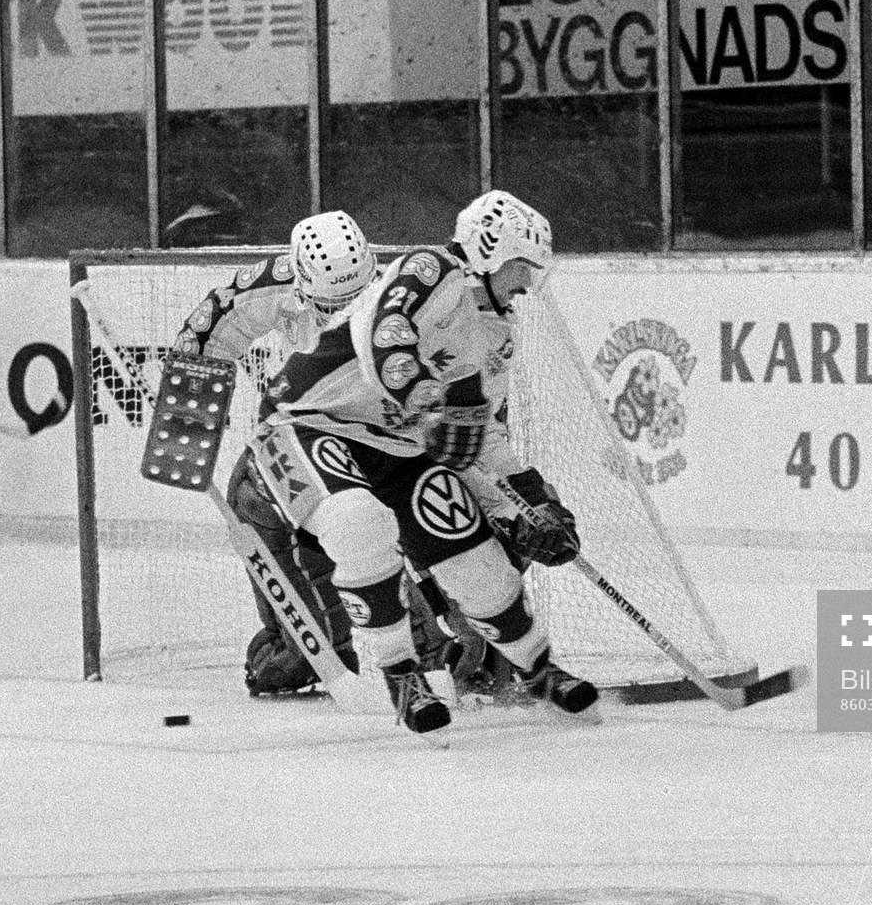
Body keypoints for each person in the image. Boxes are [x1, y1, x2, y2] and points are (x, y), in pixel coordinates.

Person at [240, 190, 596, 736]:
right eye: (523, 268)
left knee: (472, 555)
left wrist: (533, 505)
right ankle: (401, 675)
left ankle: (536, 667)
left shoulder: (496, 333)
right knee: (359, 523)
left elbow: (485, 434)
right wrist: (428, 402)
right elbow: (385, 333)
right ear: (491, 253)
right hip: (305, 425)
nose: (528, 284)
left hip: (401, 446)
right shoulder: (430, 270)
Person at [172, 209, 382, 696]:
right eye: (331, 305)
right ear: (302, 283)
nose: (342, 316)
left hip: (387, 432)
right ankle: (305, 642)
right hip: (311, 429)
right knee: (253, 497)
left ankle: (469, 643)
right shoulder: (274, 285)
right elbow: (211, 327)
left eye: (354, 301)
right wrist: (187, 408)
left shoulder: (404, 294)